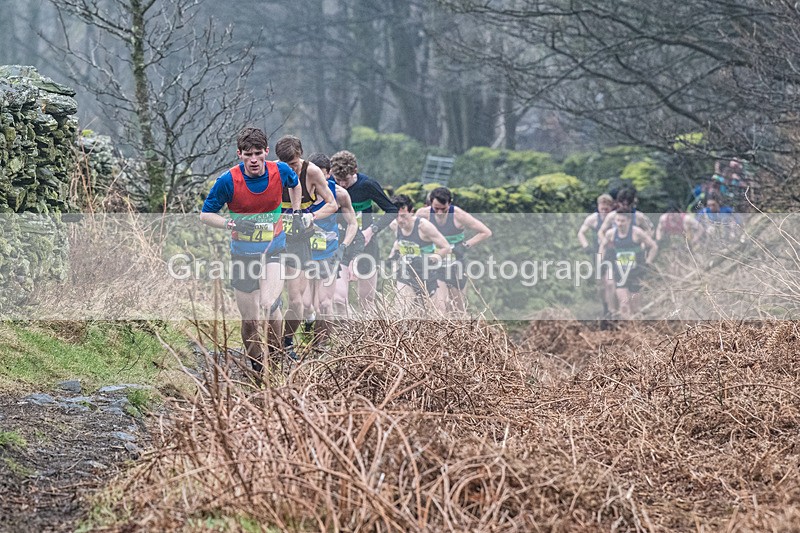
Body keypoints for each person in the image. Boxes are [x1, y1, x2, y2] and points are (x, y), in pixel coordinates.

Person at [199, 127, 302, 376]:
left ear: (267, 152)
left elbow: (295, 185)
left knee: (268, 304)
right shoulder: (227, 181)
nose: (254, 159)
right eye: (248, 154)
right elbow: (205, 215)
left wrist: (296, 212)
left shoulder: (281, 171)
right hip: (242, 255)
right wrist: (231, 223)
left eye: (258, 153)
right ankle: (258, 368)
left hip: (274, 250)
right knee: (250, 321)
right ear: (240, 154)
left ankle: (276, 360)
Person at [274, 135, 337, 359]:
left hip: (299, 241)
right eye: (285, 165)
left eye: (293, 165)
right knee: (270, 299)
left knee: (297, 301)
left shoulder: (311, 172)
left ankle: (287, 342)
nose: (290, 170)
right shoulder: (272, 172)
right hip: (274, 239)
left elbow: (332, 203)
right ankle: (271, 342)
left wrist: (311, 217)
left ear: (300, 155)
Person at [329, 150, 399, 313]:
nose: (342, 185)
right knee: (339, 299)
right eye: (338, 180)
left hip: (367, 244)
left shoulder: (367, 184)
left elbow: (392, 210)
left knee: (367, 301)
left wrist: (371, 230)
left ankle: (365, 335)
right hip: (342, 244)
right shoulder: (331, 185)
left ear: (355, 171)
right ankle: (345, 333)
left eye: (345, 180)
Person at [303, 152, 361, 346]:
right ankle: (307, 335)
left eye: (320, 174)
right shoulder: (300, 190)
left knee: (325, 304)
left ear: (327, 174)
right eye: (312, 174)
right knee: (305, 305)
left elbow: (353, 224)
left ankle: (322, 346)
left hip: (329, 253)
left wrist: (344, 247)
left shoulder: (340, 194)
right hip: (304, 253)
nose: (315, 179)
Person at [414, 186, 491, 312]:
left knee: (458, 310)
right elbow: (413, 234)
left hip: (455, 265)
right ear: (430, 203)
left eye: (443, 209)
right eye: (436, 209)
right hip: (435, 266)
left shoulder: (459, 215)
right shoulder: (422, 214)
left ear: (450, 203)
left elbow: (485, 232)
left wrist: (464, 245)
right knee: (440, 307)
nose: (439, 213)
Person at [388, 194, 452, 312]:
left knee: (437, 315)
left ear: (411, 212)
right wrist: (392, 255)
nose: (400, 220)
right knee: (401, 310)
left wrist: (430, 259)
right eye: (396, 216)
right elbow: (399, 241)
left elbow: (446, 247)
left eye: (403, 216)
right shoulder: (394, 225)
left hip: (429, 274)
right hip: (407, 272)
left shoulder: (423, 226)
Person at [599, 209, 658, 319]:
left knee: (635, 307)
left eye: (622, 221)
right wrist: (601, 261)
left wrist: (648, 262)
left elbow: (653, 246)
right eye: (617, 220)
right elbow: (602, 246)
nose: (619, 223)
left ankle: (637, 330)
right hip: (620, 272)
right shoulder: (611, 234)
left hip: (636, 273)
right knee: (624, 304)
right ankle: (626, 331)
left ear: (629, 220)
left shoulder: (637, 232)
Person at [577, 193, 615, 319]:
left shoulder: (615, 218)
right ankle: (605, 306)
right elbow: (581, 233)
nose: (604, 211)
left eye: (607, 208)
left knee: (610, 282)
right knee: (601, 283)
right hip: (597, 253)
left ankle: (611, 309)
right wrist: (586, 246)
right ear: (598, 206)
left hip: (613, 253)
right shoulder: (593, 219)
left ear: (611, 207)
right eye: (602, 208)